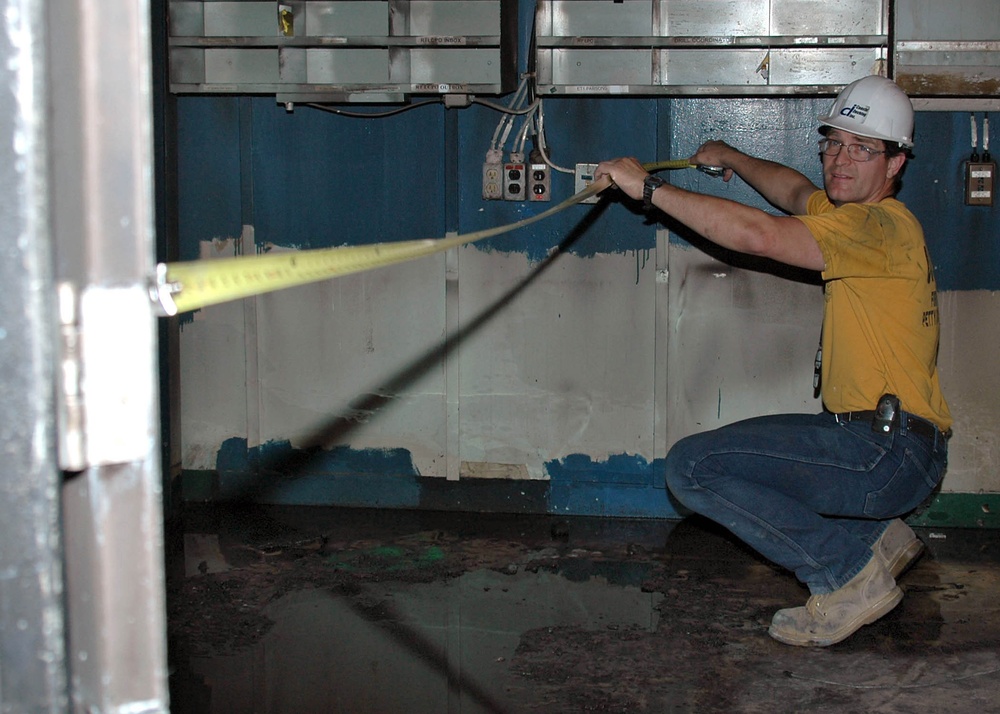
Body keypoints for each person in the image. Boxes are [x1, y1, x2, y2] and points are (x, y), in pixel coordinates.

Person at [594, 75, 951, 647]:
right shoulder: (871, 222)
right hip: (898, 448)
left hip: (884, 451)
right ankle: (882, 537)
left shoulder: (872, 228)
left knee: (693, 468)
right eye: (834, 141)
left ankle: (847, 574)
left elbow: (760, 236)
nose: (842, 158)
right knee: (773, 452)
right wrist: (732, 156)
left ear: (895, 164)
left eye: (863, 148)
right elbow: (792, 192)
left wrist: (648, 191)